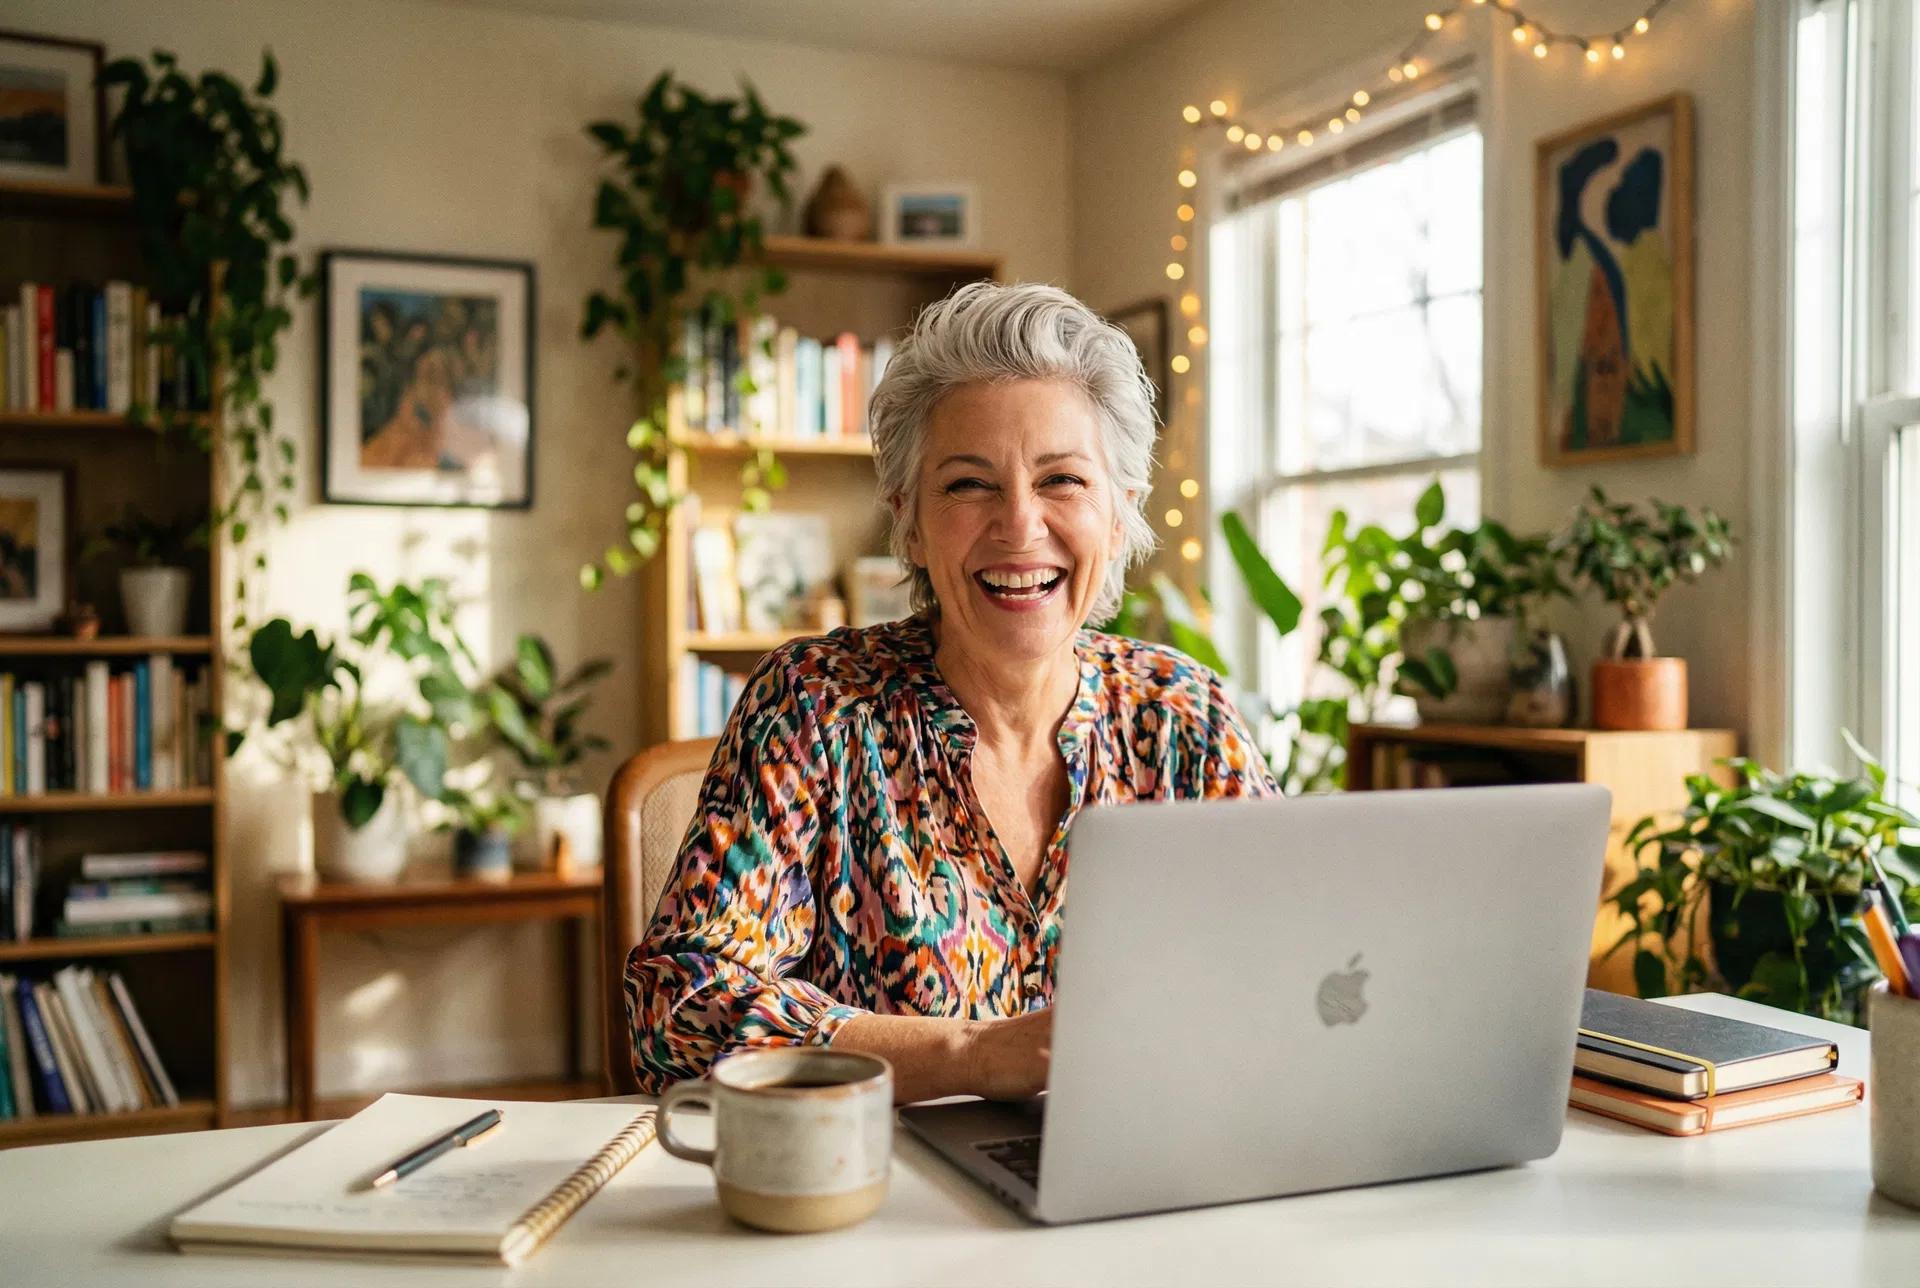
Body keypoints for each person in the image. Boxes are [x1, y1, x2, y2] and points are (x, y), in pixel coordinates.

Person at [626, 281, 1278, 1104]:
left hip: (1143, 1177)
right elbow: (679, 1008)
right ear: (909, 520)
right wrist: (972, 1053)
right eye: (969, 485)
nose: (1018, 525)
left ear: (1120, 515)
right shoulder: (818, 708)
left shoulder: (1185, 716)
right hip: (876, 1198)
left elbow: (1283, 971)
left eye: (1063, 481)